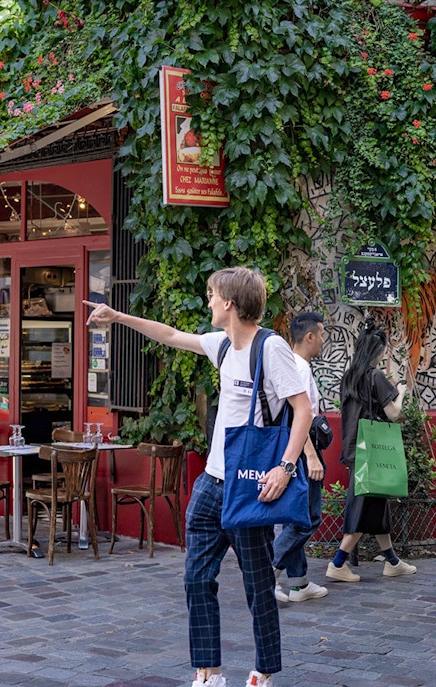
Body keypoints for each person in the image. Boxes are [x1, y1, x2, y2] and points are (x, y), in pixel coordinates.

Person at [84, 267, 312, 687]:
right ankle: (208, 671)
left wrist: (285, 466)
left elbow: (303, 409)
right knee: (196, 578)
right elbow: (170, 335)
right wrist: (118, 317)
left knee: (258, 586)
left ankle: (264, 672)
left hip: (250, 484)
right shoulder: (222, 345)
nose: (207, 301)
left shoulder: (271, 347)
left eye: (211, 295)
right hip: (212, 481)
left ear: (229, 303)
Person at [325, 323, 418, 583]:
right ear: (378, 350)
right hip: (372, 451)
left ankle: (392, 562)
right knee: (362, 507)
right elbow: (394, 413)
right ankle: (338, 563)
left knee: (377, 506)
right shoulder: (375, 376)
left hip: (356, 448)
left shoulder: (350, 376)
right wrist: (400, 393)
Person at [272, 312, 330, 604]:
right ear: (309, 337)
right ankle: (269, 569)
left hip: (293, 450)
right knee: (307, 519)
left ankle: (299, 582)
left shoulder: (292, 364)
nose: (323, 339)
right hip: (303, 451)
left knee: (296, 516)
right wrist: (311, 456)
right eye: (321, 334)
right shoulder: (299, 368)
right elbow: (299, 414)